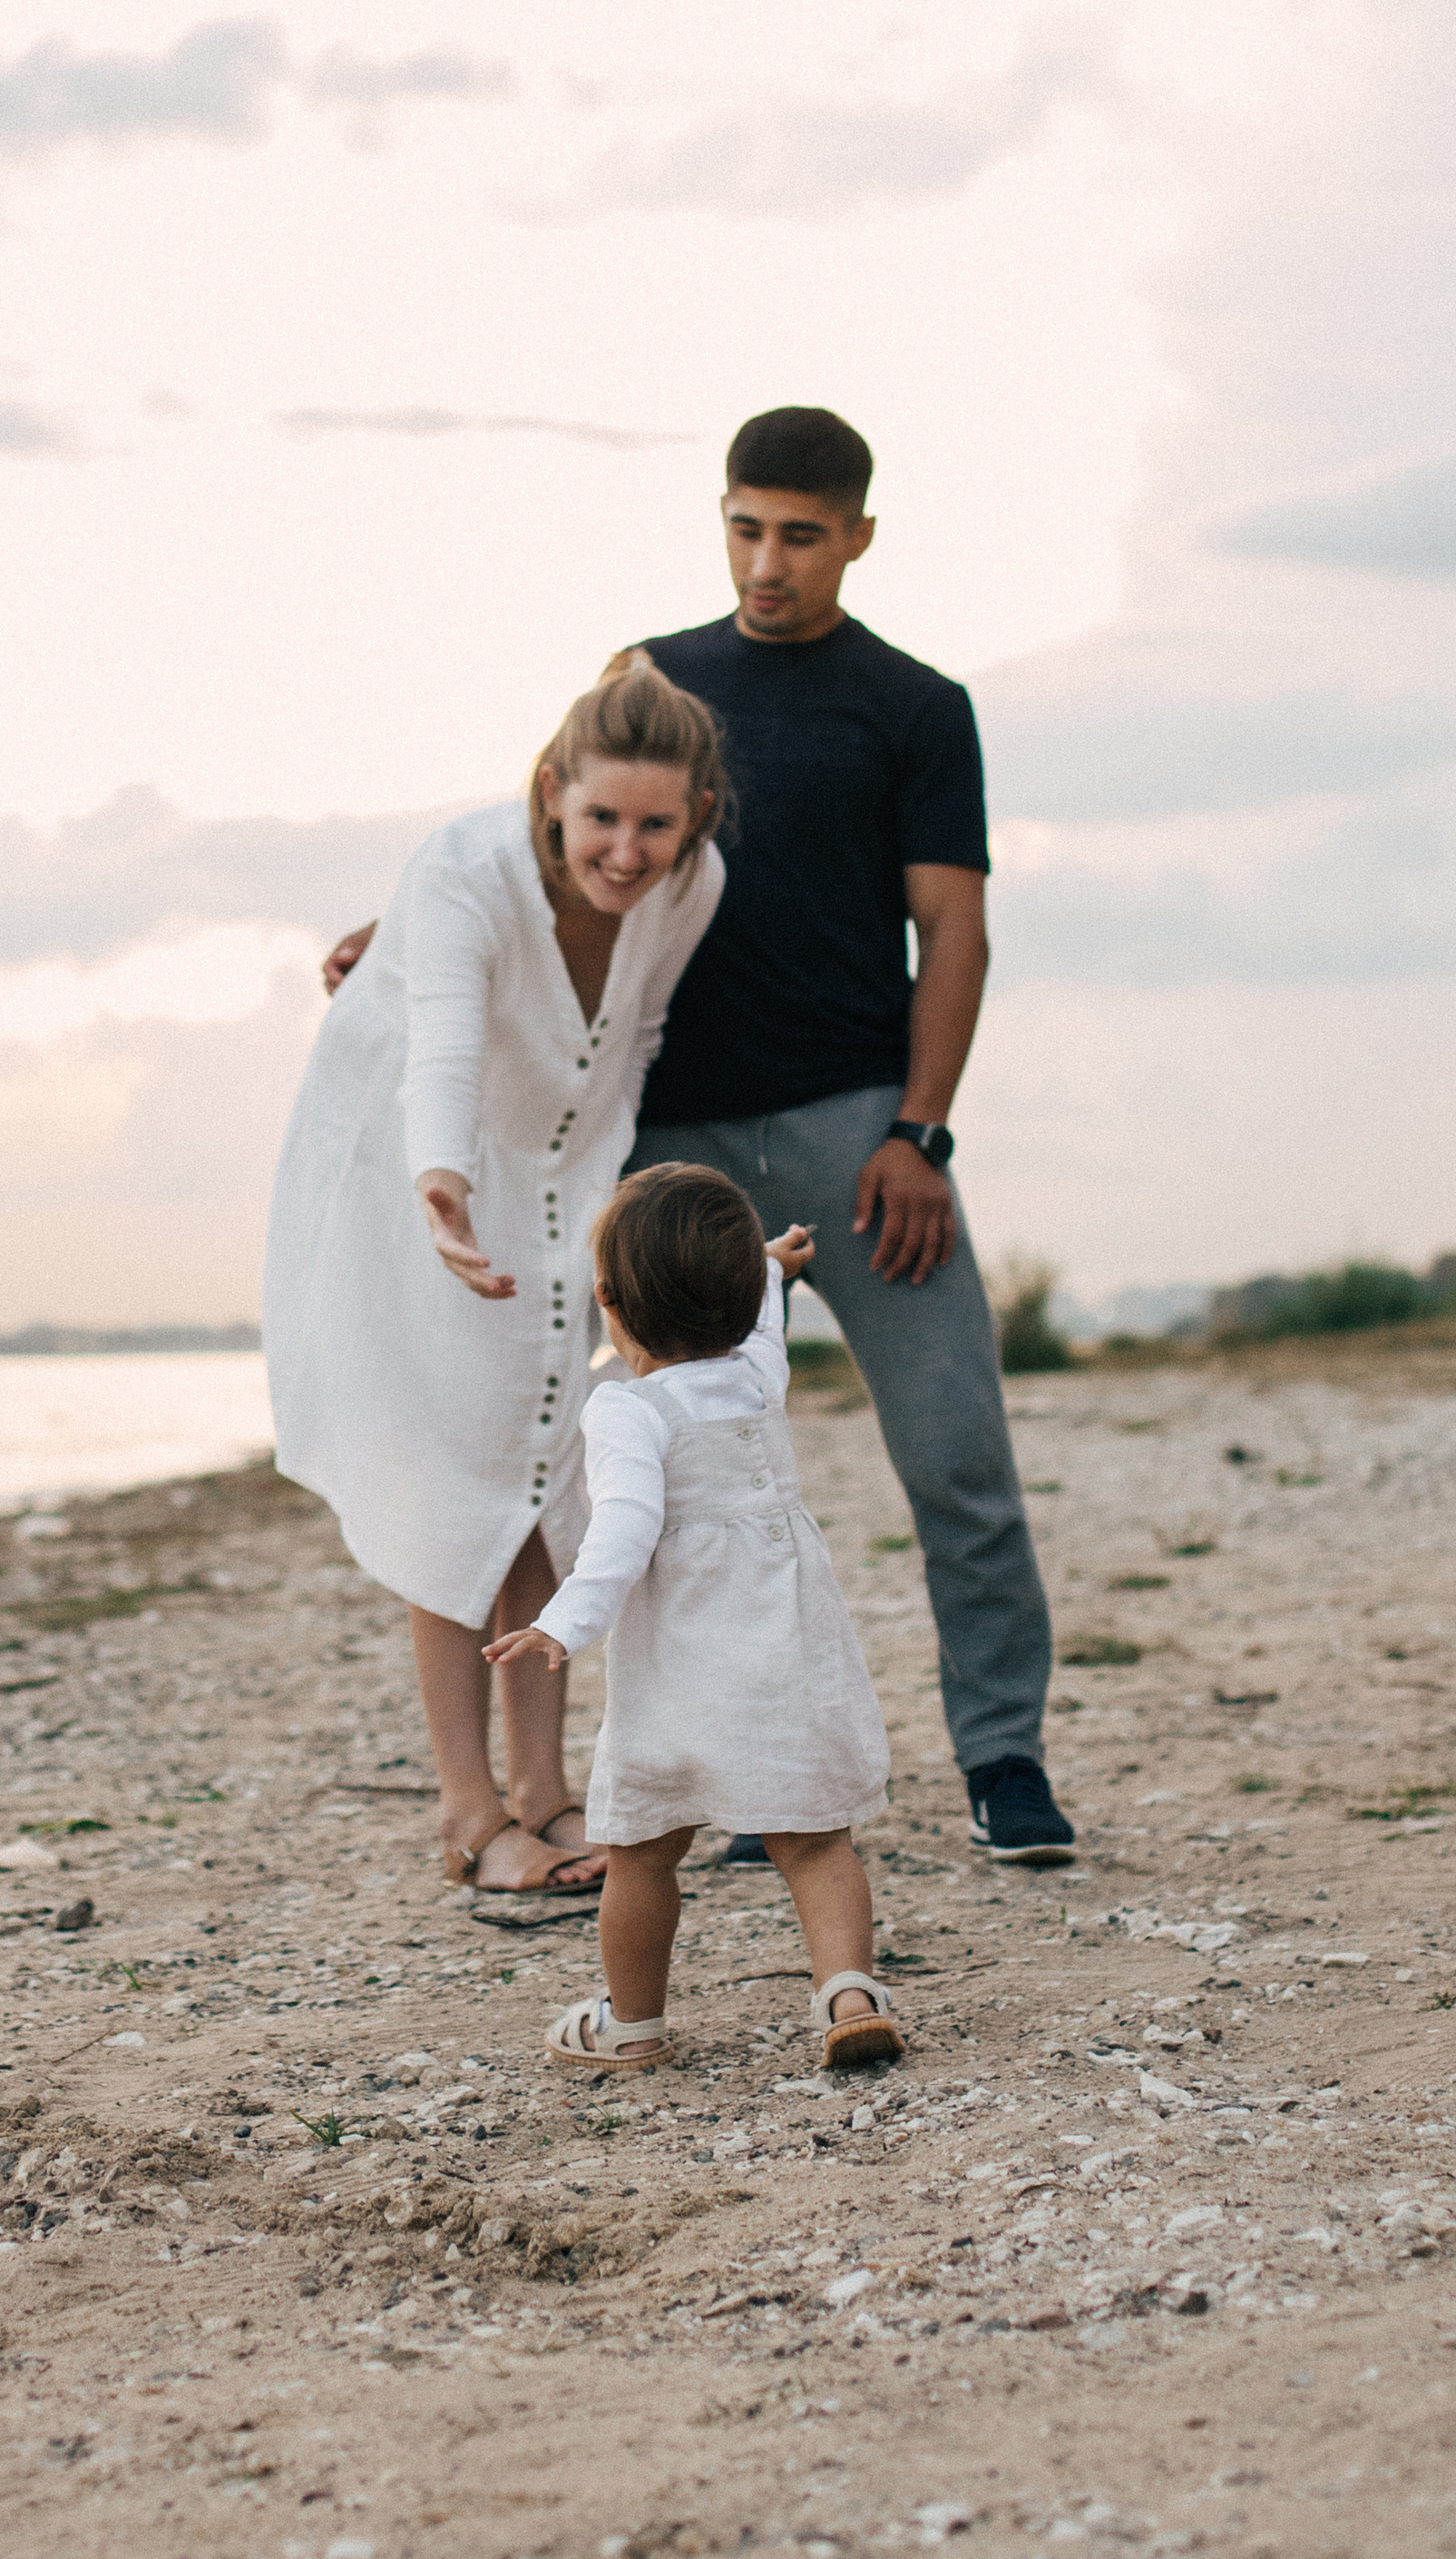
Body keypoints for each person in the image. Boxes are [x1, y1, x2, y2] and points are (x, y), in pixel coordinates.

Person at [326, 403, 1073, 1868]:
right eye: (745, 527)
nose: (769, 561)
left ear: (858, 536)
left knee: (957, 1455)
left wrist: (922, 1131)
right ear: (719, 517)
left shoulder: (917, 709)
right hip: (664, 1147)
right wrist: (408, 934)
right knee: (672, 1482)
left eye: (802, 534)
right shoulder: (653, 676)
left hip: (863, 1131)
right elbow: (559, 834)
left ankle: (1003, 1757)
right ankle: (729, 1773)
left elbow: (955, 928)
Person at [266, 658, 728, 1901]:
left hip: (555, 1179)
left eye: (654, 824)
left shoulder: (693, 885)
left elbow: (631, 1046)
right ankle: (471, 1813)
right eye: (601, 821)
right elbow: (444, 1050)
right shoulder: (466, 871)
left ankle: (550, 1790)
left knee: (544, 1464)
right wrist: (441, 1183)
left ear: (695, 818)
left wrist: (595, 1199)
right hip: (401, 1172)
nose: (625, 853)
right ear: (551, 796)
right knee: (451, 1469)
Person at [485, 1162, 904, 2074]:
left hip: (682, 1674)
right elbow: (755, 1320)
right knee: (815, 1841)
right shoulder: (757, 1378)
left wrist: (563, 1622)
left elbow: (624, 1529)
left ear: (607, 1299)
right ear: (735, 1296)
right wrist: (768, 1271)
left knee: (639, 1853)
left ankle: (632, 2025)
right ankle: (847, 1990)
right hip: (784, 1652)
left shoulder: (626, 1411)